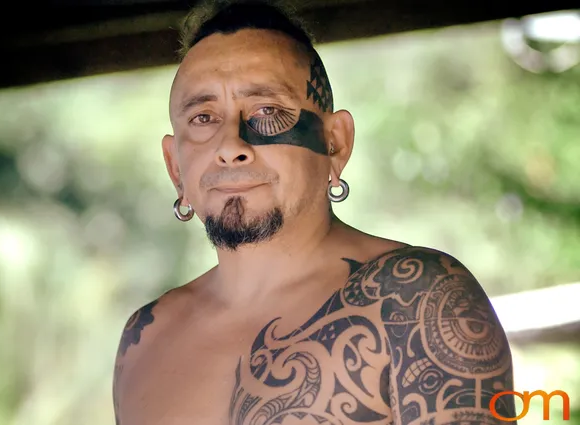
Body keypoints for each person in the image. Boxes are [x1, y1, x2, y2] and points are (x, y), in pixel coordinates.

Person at [112, 1, 516, 424]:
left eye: (267, 111)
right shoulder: (146, 338)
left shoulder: (417, 299)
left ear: (334, 144)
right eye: (203, 117)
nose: (230, 146)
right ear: (175, 167)